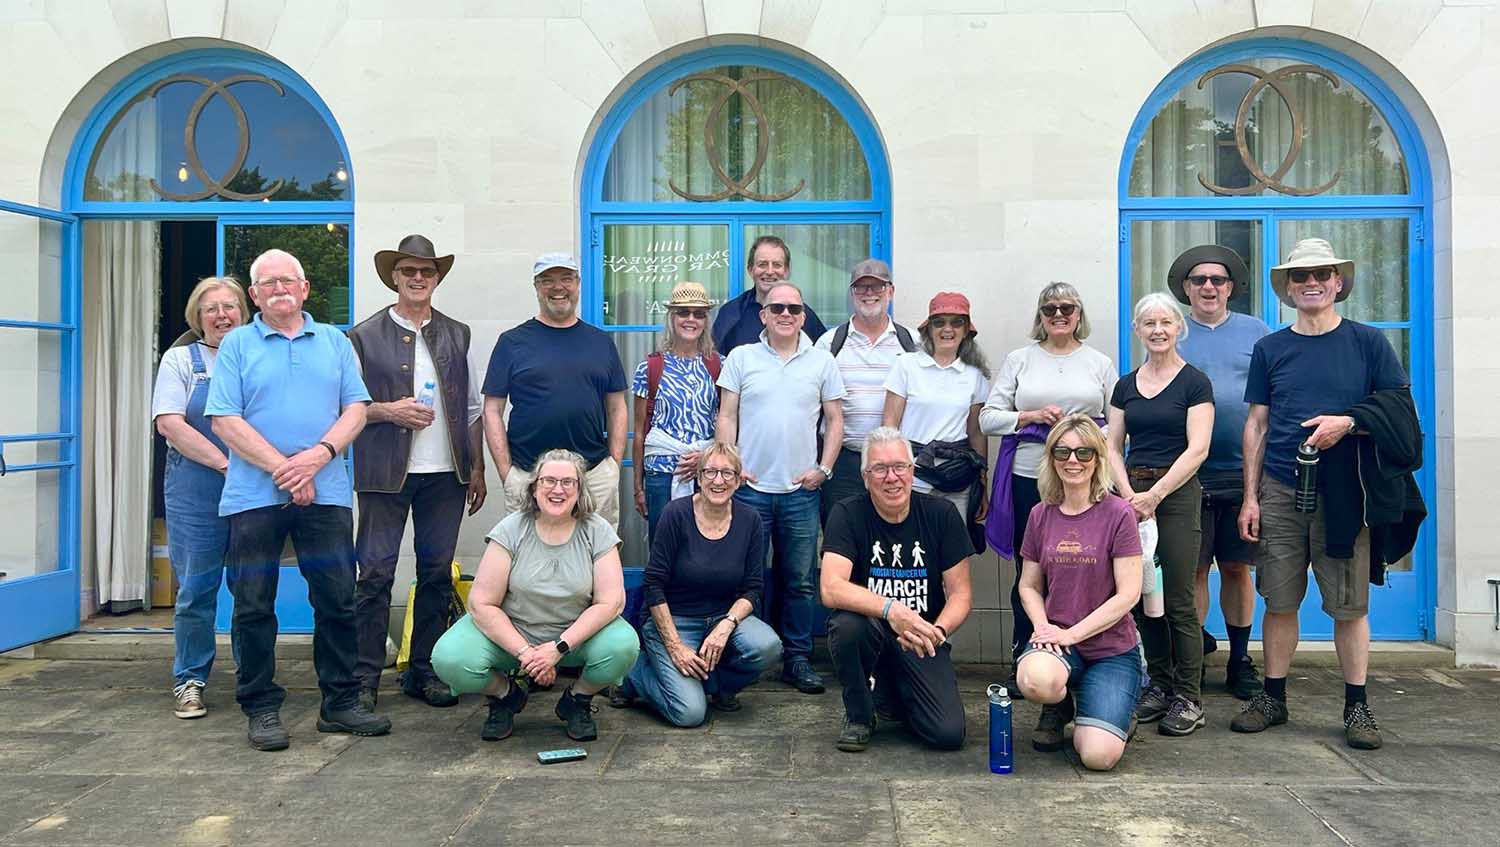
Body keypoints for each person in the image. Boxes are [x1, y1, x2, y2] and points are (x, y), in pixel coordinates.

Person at [205, 248, 389, 751]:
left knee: (336, 599)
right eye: (268, 283)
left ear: (305, 289)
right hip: (253, 498)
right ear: (254, 294)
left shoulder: (333, 341)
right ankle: (261, 706)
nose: (279, 288)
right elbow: (224, 419)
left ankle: (341, 702)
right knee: (253, 604)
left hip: (326, 493)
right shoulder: (238, 345)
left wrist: (318, 457)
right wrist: (288, 470)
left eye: (289, 280)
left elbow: (357, 409)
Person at [1233, 238, 1411, 750]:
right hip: (1282, 489)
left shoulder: (1369, 342)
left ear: (1338, 283)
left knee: (1350, 606)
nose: (1310, 283)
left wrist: (1349, 421)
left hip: (1345, 494)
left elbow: (1400, 410)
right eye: (1299, 277)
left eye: (1321, 275)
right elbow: (1257, 425)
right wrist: (1251, 496)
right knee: (1279, 599)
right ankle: (1273, 697)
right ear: (1288, 290)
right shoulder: (1271, 348)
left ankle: (1358, 706)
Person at [348, 235, 487, 711]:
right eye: (409, 270)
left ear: (437, 278)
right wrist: (389, 411)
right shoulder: (362, 336)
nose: (417, 278)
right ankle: (364, 679)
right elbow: (348, 409)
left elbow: (472, 408)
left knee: (434, 574)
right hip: (384, 475)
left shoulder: (458, 333)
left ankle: (423, 670)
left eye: (426, 271)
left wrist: (477, 468)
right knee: (376, 573)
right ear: (394, 277)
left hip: (446, 475)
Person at [431, 449, 640, 743]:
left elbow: (611, 602)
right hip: (513, 634)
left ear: (580, 490)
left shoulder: (597, 530)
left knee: (623, 646)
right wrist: (527, 655)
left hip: (574, 637)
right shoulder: (511, 528)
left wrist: (558, 648)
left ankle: (577, 700)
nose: (558, 489)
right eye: (549, 481)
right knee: (449, 658)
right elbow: (481, 603)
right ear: (534, 487)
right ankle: (505, 696)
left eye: (568, 482)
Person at [980, 282, 1117, 678]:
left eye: (1067, 308)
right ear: (1039, 316)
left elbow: (1119, 424)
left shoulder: (1099, 362)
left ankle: (1088, 653)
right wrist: (1029, 417)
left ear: (1079, 315)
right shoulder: (1020, 360)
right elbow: (989, 419)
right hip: (1030, 479)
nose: (1059, 315)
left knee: (1087, 566)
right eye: (1050, 308)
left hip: (1085, 481)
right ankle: (1026, 652)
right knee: (1031, 569)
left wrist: (1080, 436)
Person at [716, 282, 846, 694]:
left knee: (800, 580)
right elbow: (727, 415)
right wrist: (732, 466)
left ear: (803, 315)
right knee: (742, 577)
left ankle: (796, 658)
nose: (786, 315)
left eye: (794, 308)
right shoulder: (741, 357)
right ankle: (739, 656)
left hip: (800, 492)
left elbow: (835, 421)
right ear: (764, 315)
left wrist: (823, 469)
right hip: (750, 489)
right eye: (777, 308)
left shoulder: (821, 361)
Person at [821, 426, 973, 752]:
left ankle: (892, 695)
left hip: (921, 639)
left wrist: (936, 630)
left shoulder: (941, 514)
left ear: (912, 471)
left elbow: (961, 594)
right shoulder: (847, 513)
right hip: (871, 630)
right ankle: (860, 716)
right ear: (865, 477)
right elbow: (831, 587)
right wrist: (893, 610)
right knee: (847, 626)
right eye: (880, 469)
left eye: (899, 467)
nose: (892, 477)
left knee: (947, 734)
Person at [614, 443, 782, 726]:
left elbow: (753, 587)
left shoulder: (750, 520)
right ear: (698, 477)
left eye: (728, 473)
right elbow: (653, 584)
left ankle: (713, 685)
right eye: (711, 472)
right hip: (675, 620)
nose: (719, 481)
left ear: (740, 480)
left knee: (767, 647)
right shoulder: (675, 514)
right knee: (689, 714)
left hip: (723, 619)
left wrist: (727, 624)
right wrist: (675, 645)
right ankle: (634, 675)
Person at [1107, 292, 1213, 737]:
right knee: (1142, 593)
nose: (1157, 330)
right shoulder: (1125, 386)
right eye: (1148, 323)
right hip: (1132, 493)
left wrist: (1156, 495)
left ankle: (1188, 696)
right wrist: (1131, 493)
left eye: (1165, 322)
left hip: (1177, 495)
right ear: (1137, 330)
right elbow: (1111, 445)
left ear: (1178, 328)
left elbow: (1198, 448)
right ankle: (1159, 685)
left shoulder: (1194, 383)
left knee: (1178, 600)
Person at [1015, 415, 1144, 772]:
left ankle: (1112, 707)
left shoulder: (1119, 514)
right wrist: (1043, 629)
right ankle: (1059, 703)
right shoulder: (1041, 514)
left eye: (1084, 452)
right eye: (1063, 451)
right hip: (1057, 642)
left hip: (1111, 650)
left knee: (1097, 757)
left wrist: (1071, 634)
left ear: (1098, 459)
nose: (1073, 460)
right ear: (1052, 458)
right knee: (1037, 680)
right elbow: (1028, 585)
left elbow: (1129, 594)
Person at [1170, 245, 1269, 699]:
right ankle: (1191, 660)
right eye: (1199, 280)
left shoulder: (1257, 333)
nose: (1208, 287)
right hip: (1187, 473)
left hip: (1243, 473)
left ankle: (1240, 659)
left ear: (1231, 287)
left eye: (1218, 280)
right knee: (1193, 570)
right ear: (1186, 288)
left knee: (1235, 568)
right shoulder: (1171, 332)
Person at [151, 276, 248, 719]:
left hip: (253, 485)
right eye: (212, 309)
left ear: (244, 313)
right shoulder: (180, 360)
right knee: (196, 589)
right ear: (198, 316)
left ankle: (254, 675)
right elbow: (170, 424)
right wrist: (225, 464)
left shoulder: (256, 357)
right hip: (197, 486)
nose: (221, 315)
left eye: (230, 306)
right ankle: (189, 679)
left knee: (251, 586)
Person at [483, 252, 627, 529]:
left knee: (597, 560)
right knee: (527, 561)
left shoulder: (601, 342)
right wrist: (507, 473)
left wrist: (613, 466)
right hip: (529, 476)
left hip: (593, 475)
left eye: (566, 279)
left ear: (578, 283)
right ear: (536, 287)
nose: (558, 287)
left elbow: (617, 407)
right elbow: (492, 410)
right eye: (547, 280)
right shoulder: (511, 342)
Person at [815, 258, 919, 523]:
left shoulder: (913, 344)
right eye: (862, 288)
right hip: (844, 463)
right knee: (840, 540)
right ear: (852, 294)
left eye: (877, 287)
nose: (869, 294)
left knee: (891, 539)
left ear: (891, 292)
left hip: (895, 465)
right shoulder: (829, 343)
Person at [882, 291, 991, 531]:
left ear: (966, 330)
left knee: (954, 549)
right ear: (929, 329)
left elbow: (977, 434)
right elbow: (889, 424)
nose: (947, 329)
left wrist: (982, 484)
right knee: (913, 545)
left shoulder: (975, 376)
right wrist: (889, 472)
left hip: (958, 476)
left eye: (956, 322)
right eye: (939, 322)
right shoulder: (906, 365)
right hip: (913, 473)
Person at [630, 282, 721, 545]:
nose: (691, 319)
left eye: (698, 313)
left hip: (706, 474)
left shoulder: (718, 365)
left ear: (706, 320)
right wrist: (638, 487)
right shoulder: (650, 367)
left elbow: (725, 425)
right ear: (672, 317)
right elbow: (640, 432)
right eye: (683, 312)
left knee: (705, 547)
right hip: (660, 474)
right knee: (663, 548)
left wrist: (706, 457)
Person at [712, 235, 828, 356]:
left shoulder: (800, 313)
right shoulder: (731, 313)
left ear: (787, 271)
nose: (769, 271)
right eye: (762, 264)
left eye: (777, 265)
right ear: (750, 269)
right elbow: (715, 360)